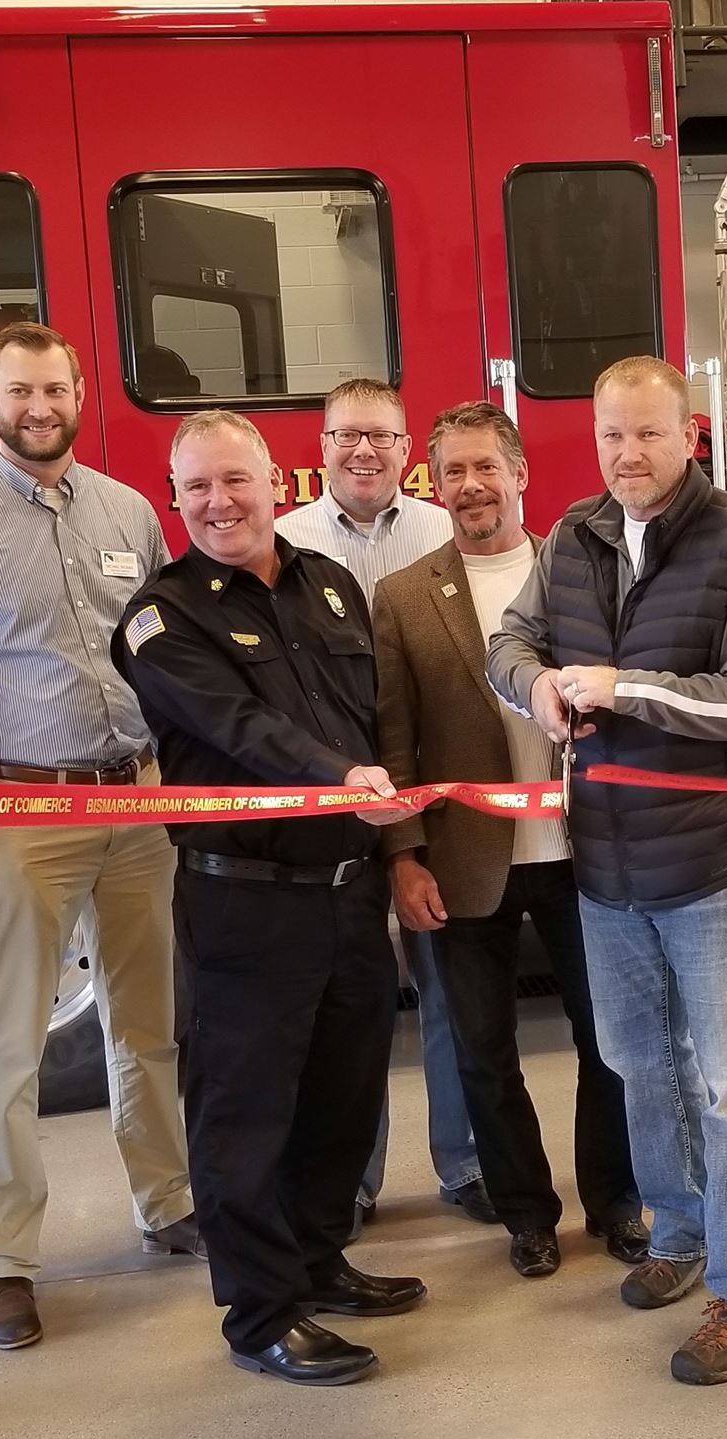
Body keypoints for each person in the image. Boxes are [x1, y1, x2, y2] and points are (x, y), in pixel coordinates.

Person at [489, 356, 727, 1385]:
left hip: (715, 856)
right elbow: (508, 641)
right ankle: (678, 1233)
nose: (627, 454)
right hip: (607, 861)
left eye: (647, 434)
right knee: (636, 1063)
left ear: (690, 434)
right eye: (609, 436)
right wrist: (534, 686)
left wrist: (630, 687)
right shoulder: (571, 535)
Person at [0, 322, 199, 1352]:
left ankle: (166, 1200)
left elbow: (162, 647)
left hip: (136, 801)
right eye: (19, 390)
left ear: (78, 392)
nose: (39, 406)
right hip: (26, 809)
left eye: (55, 388)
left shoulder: (128, 510)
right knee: (11, 1041)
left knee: (146, 1022)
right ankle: (3, 1259)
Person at [113, 409, 424, 1387]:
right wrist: (339, 773)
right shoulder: (160, 618)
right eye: (196, 486)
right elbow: (235, 723)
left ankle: (318, 1259)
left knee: (341, 1093)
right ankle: (259, 1311)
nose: (218, 502)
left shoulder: (329, 586)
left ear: (275, 484)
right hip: (243, 901)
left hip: (346, 890)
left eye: (234, 481)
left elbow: (376, 713)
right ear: (176, 500)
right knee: (244, 1111)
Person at [372, 401, 644, 1277]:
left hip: (582, 853)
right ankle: (526, 1213)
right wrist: (404, 855)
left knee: (610, 1041)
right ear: (435, 483)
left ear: (521, 474)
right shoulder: (405, 595)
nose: (471, 486)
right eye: (453, 471)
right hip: (467, 860)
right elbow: (395, 741)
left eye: (487, 466)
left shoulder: (580, 576)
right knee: (483, 1054)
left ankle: (617, 1202)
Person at [276, 378, 488, 1227]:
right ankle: (352, 1180)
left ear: (408, 451)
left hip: (430, 801)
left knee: (449, 994)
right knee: (348, 1008)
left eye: (382, 437)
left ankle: (465, 1165)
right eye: (346, 436)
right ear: (320, 447)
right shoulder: (282, 541)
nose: (364, 451)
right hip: (326, 806)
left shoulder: (448, 533)